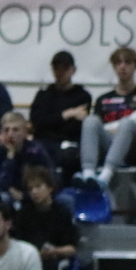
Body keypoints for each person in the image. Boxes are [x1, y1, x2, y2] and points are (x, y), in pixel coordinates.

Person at [11, 166, 79, 270]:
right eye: (31, 189)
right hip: (27, 259)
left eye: (38, 187)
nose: (34, 192)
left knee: (49, 268)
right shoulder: (23, 214)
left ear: (50, 188)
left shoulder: (62, 213)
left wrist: (55, 251)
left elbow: (71, 248)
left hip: (56, 258)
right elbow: (16, 244)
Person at [78, 46, 136, 194]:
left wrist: (120, 127)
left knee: (127, 123)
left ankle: (106, 175)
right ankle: (88, 173)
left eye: (127, 62)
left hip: (132, 146)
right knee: (90, 120)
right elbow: (98, 129)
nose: (122, 67)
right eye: (118, 63)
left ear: (135, 66)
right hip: (109, 142)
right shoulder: (103, 99)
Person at [28, 50, 92, 181]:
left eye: (65, 68)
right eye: (57, 68)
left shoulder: (82, 96)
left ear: (73, 70)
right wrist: (67, 114)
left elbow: (75, 128)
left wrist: (51, 120)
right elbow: (37, 122)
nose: (60, 72)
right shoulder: (43, 95)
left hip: (69, 143)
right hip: (44, 141)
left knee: (68, 156)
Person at [0, 111, 54, 203]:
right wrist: (10, 156)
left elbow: (51, 180)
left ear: (25, 132)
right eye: (6, 130)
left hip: (31, 195)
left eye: (15, 130)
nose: (10, 134)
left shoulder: (35, 151)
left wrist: (24, 196)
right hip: (6, 195)